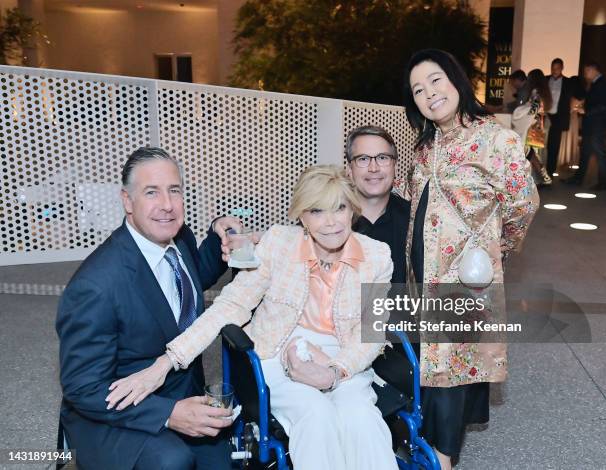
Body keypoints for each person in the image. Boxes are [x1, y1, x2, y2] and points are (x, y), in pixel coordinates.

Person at [105, 165, 399, 470]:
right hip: (278, 351)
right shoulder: (279, 243)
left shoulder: (376, 255)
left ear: (352, 209)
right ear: (302, 217)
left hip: (344, 357)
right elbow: (231, 305)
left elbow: (371, 332)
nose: (331, 222)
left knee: (361, 418)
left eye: (339, 208)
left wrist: (335, 372)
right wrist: (167, 361)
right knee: (315, 414)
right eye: (316, 211)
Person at [56, 147, 242, 470]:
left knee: (227, 461)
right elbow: (82, 387)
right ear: (127, 201)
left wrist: (216, 231)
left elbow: (191, 278)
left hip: (181, 391)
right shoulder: (95, 285)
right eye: (151, 192)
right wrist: (169, 415)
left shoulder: (179, 237)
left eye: (174, 190)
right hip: (118, 412)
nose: (167, 206)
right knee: (173, 461)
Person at [403, 49, 539, 469]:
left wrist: (501, 246)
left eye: (436, 80)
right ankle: (432, 446)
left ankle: (442, 459)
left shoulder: (497, 139)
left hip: (465, 277)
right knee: (436, 363)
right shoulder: (426, 146)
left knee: (449, 368)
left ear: (457, 81)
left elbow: (523, 204)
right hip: (421, 273)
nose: (429, 94)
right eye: (419, 90)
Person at [346, 125, 416, 395]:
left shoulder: (415, 220)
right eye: (363, 159)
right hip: (337, 334)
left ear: (395, 165)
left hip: (399, 337)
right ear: (350, 168)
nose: (373, 168)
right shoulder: (329, 219)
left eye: (382, 158)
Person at [564, 61, 606, 190]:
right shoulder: (595, 84)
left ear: (594, 69)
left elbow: (602, 106)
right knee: (585, 152)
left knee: (600, 154)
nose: (585, 74)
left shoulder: (602, 84)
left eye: (586, 71)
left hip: (597, 124)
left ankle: (603, 183)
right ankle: (578, 178)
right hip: (591, 124)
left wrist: (585, 111)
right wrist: (583, 107)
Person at [512, 69, 554, 186]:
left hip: (534, 125)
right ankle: (543, 178)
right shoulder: (544, 91)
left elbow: (533, 110)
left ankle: (543, 178)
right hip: (540, 123)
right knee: (533, 153)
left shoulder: (536, 92)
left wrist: (521, 111)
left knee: (531, 152)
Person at [545, 58, 574, 178]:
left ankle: (549, 172)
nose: (554, 70)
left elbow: (575, 96)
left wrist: (571, 109)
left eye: (557, 68)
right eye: (553, 68)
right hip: (545, 115)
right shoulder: (546, 79)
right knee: (540, 143)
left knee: (553, 145)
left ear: (562, 68)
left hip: (558, 117)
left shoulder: (568, 82)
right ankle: (539, 169)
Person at [557, 76, 585, 170]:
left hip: (568, 118)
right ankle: (569, 162)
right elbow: (583, 110)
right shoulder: (581, 96)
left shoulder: (569, 95)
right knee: (571, 140)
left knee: (566, 140)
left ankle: (564, 162)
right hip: (574, 120)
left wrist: (574, 108)